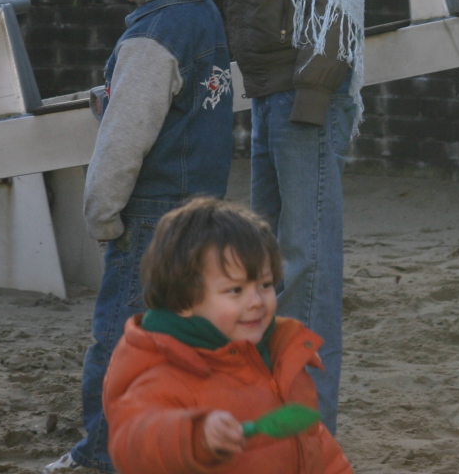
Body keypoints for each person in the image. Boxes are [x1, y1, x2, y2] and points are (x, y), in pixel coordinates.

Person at [52, 0, 237, 473]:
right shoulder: (203, 17)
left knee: (121, 347)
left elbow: (124, 142)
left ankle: (104, 458)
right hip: (202, 217)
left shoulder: (150, 38)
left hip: (151, 220)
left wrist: (102, 214)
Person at [210, 0, 363, 433]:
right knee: (267, 259)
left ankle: (310, 424)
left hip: (306, 96)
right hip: (269, 91)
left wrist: (313, 98)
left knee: (308, 261)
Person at [103, 196, 354, 474]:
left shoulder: (277, 356)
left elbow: (312, 444)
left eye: (265, 284)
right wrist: (194, 435)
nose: (256, 301)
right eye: (236, 290)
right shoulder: (167, 371)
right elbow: (131, 443)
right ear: (183, 300)